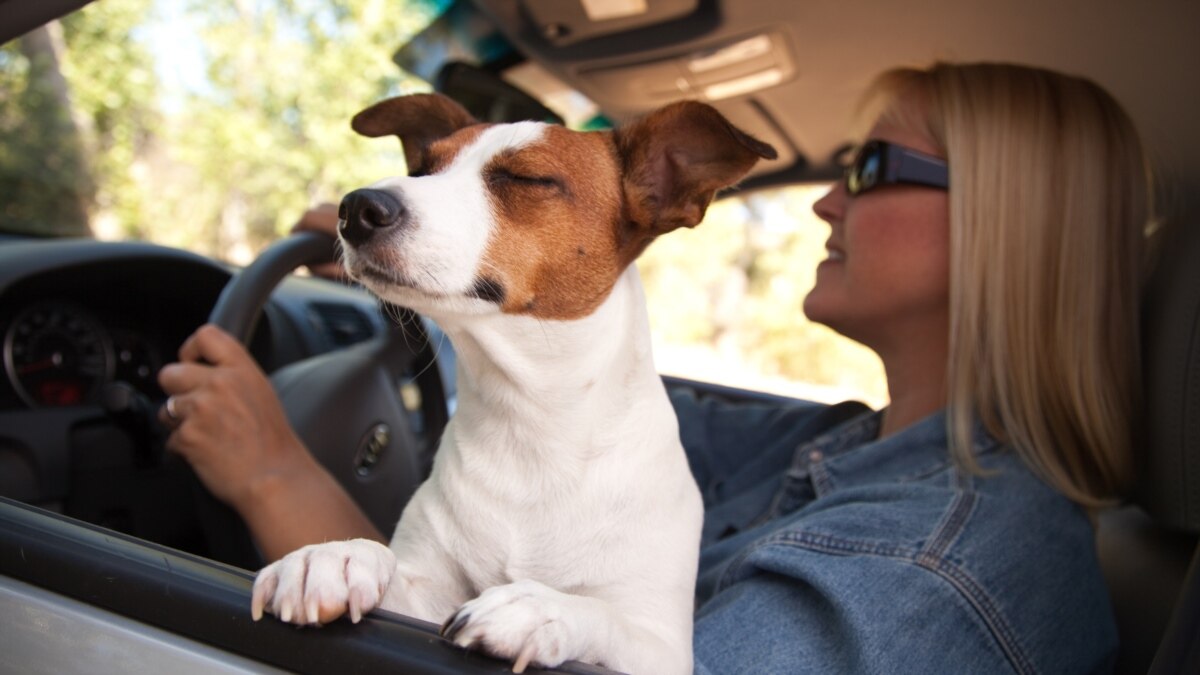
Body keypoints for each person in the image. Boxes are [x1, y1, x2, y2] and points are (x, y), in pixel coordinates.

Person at [157, 61, 1153, 672]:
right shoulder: (836, 444)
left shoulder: (929, 564)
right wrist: (419, 251)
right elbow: (555, 389)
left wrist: (278, 476)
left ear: (1011, 230)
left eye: (868, 169)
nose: (823, 204)